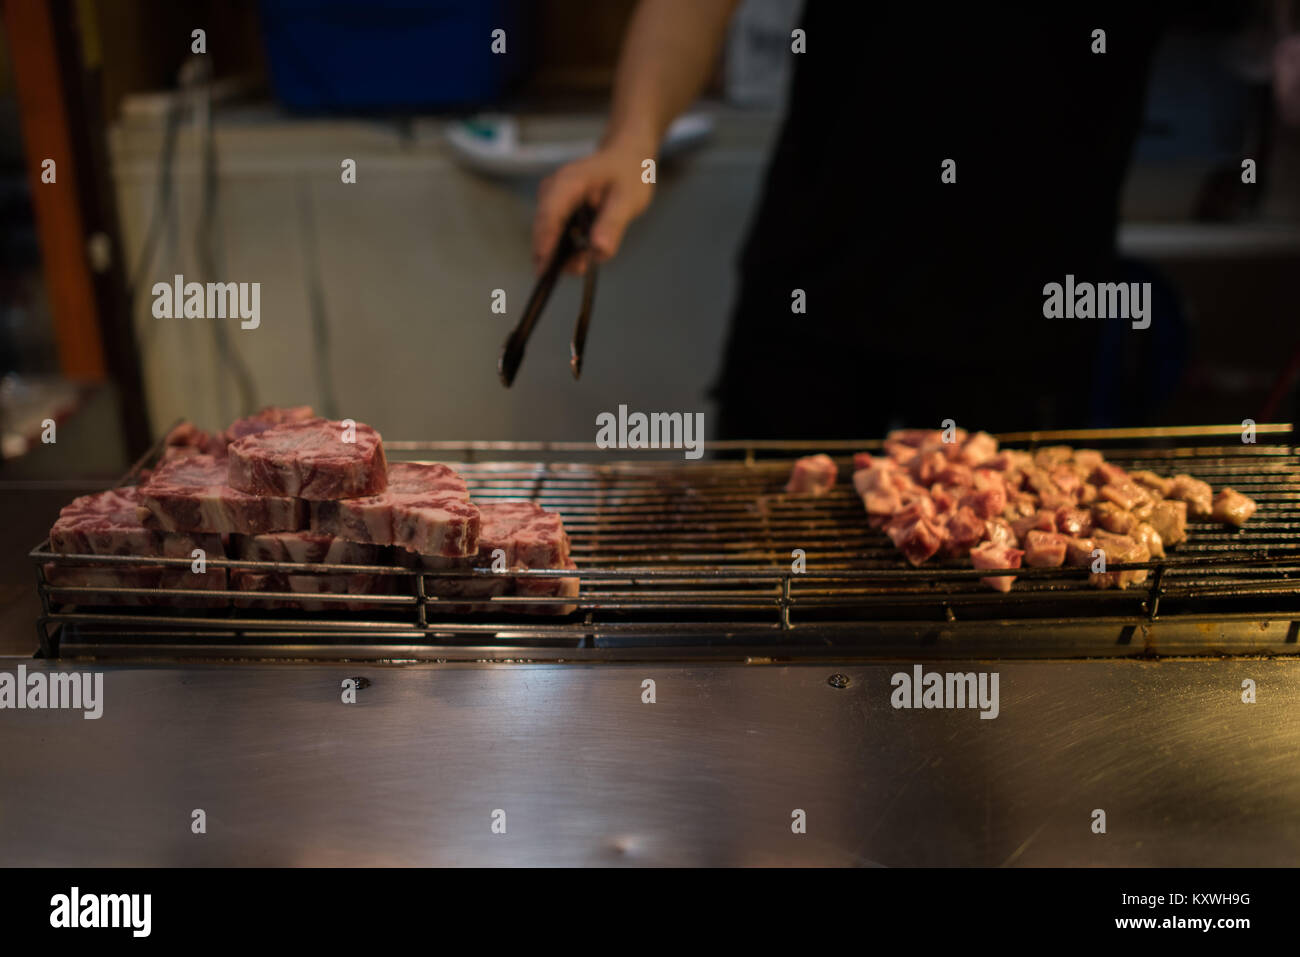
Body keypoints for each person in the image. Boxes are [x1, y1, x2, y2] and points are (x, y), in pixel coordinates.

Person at [532, 1, 1182, 438]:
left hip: (1025, 319)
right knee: (762, 611)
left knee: (996, 621)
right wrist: (631, 141)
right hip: (812, 300)